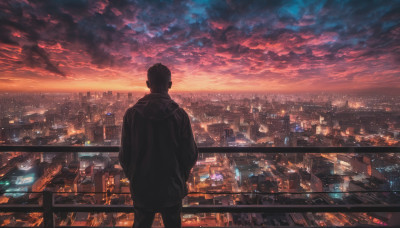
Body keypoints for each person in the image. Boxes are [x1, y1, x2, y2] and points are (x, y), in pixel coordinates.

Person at [119, 63, 198, 228]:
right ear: (170, 85)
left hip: (142, 187)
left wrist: (134, 176)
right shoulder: (180, 116)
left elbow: (125, 156)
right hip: (171, 187)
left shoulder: (132, 115)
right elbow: (190, 154)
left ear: (148, 84)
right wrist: (179, 177)